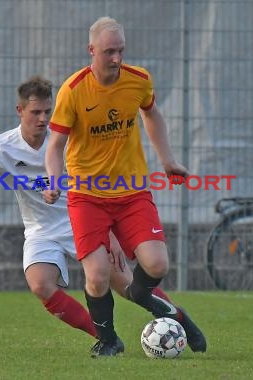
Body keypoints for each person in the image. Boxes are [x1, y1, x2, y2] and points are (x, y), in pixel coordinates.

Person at [0, 75, 173, 350]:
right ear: (19, 111)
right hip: (41, 231)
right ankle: (105, 338)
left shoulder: (66, 139)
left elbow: (98, 187)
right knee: (40, 284)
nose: (42, 118)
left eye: (47, 111)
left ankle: (176, 318)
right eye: (35, 112)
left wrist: (111, 235)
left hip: (82, 221)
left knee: (127, 285)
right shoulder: (1, 149)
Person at [44, 17, 207, 357]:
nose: (116, 59)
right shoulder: (73, 91)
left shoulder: (139, 80)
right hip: (87, 197)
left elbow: (152, 115)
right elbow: (55, 146)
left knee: (158, 265)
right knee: (98, 275)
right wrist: (54, 180)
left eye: (120, 51)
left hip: (132, 192)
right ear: (92, 51)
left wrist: (167, 161)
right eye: (108, 52)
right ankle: (108, 341)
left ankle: (143, 295)